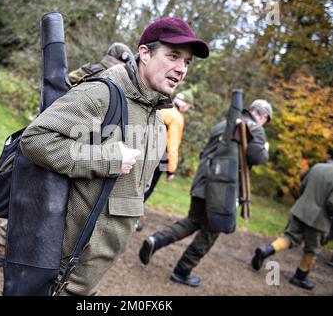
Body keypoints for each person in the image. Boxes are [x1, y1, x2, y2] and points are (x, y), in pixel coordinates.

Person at [18, 17, 210, 295]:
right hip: (61, 270)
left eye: (187, 62)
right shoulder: (102, 94)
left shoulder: (156, 119)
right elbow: (36, 140)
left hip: (91, 270)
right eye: (173, 56)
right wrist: (107, 159)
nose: (181, 69)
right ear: (144, 53)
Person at [0, 42, 135, 269]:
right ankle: (26, 256)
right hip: (72, 149)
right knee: (50, 206)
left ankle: (2, 248)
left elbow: (54, 94)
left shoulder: (87, 71)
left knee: (28, 198)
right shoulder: (115, 83)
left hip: (57, 142)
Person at [139, 99, 272, 288]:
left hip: (203, 180)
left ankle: (156, 240)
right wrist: (264, 148)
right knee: (211, 231)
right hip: (223, 188)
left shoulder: (224, 123)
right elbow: (257, 157)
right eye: (266, 120)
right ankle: (182, 271)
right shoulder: (254, 128)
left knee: (193, 220)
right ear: (263, 116)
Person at [251, 162, 333, 290]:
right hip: (318, 220)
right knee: (312, 250)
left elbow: (303, 185)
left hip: (300, 210)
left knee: (290, 237)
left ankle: (266, 250)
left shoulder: (318, 166)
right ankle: (299, 278)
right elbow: (331, 204)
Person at [136, 90, 192, 232]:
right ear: (185, 106)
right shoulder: (177, 118)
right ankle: (133, 218)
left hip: (142, 149)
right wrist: (171, 170)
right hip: (160, 157)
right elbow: (172, 145)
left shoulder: (161, 107)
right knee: (147, 187)